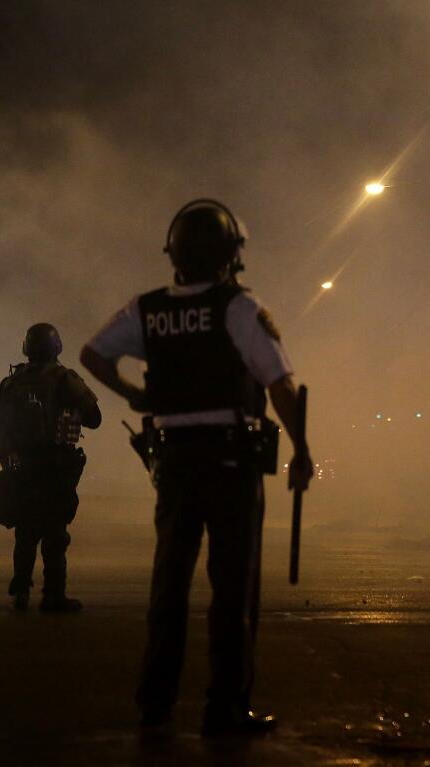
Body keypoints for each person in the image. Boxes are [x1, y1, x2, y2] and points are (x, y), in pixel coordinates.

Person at [80, 198, 312, 737]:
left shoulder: (149, 309)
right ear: (231, 255)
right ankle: (226, 708)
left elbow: (93, 355)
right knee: (233, 590)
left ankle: (155, 703)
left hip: (175, 461)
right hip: (232, 463)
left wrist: (134, 394)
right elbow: (280, 384)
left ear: (175, 253)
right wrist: (302, 449)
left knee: (169, 584)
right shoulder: (239, 307)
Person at [0, 322, 101, 612]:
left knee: (25, 530)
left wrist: (9, 460)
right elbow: (94, 417)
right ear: (57, 347)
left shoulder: (10, 383)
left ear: (27, 348)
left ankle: (21, 591)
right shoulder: (64, 379)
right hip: (55, 467)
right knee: (55, 532)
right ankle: (53, 595)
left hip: (22, 467)